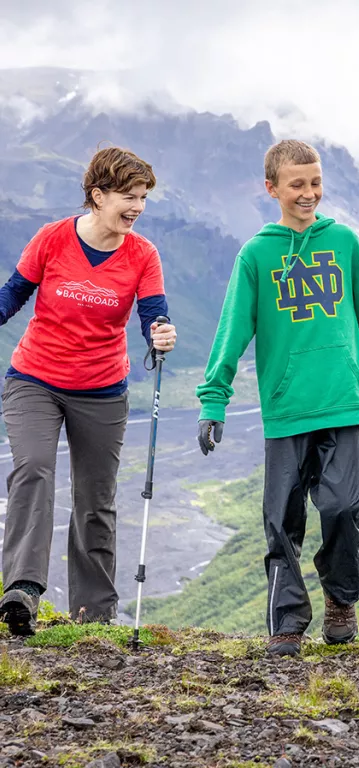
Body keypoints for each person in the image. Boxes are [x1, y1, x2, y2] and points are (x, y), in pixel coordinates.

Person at [196, 139, 359, 658]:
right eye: (297, 185)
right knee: (282, 517)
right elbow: (231, 332)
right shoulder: (257, 255)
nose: (309, 194)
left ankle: (340, 597)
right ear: (273, 189)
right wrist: (213, 400)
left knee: (344, 504)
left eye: (315, 183)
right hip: (286, 408)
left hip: (342, 399)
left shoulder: (344, 242)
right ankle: (287, 621)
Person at [0, 147, 177, 634]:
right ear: (97, 196)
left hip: (101, 390)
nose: (137, 206)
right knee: (33, 469)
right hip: (34, 378)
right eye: (128, 195)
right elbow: (13, 293)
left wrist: (160, 331)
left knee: (95, 499)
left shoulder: (143, 254)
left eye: (143, 197)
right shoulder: (53, 238)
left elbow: (152, 312)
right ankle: (23, 590)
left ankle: (93, 616)